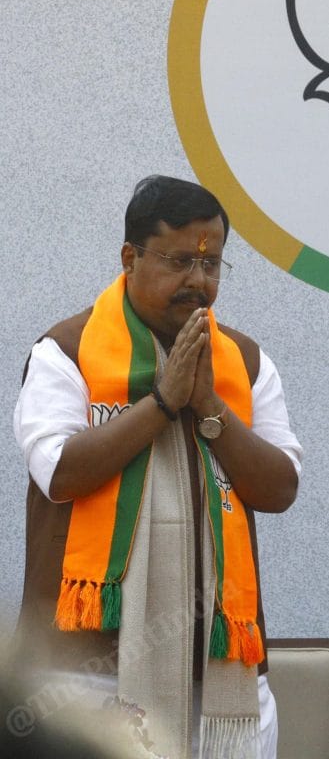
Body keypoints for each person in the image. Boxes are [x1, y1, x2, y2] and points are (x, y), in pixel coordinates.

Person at [13, 175, 302, 759]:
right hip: (86, 668)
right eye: (178, 262)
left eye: (213, 265)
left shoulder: (244, 362)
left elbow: (279, 488)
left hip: (219, 669)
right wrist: (163, 403)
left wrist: (210, 406)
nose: (198, 281)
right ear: (130, 257)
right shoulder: (64, 353)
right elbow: (61, 473)